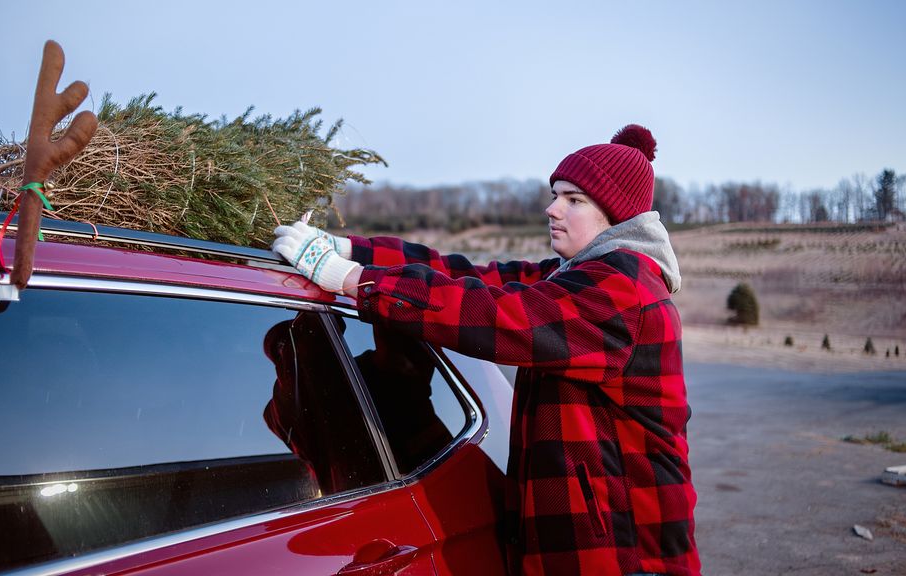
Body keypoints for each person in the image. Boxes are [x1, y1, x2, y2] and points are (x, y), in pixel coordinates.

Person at [273, 125, 700, 576]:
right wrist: (351, 249)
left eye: (574, 200)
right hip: (589, 550)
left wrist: (354, 280)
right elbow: (472, 277)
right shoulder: (576, 277)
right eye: (555, 194)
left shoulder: (623, 292)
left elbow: (495, 314)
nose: (551, 208)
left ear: (616, 216)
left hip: (626, 558)